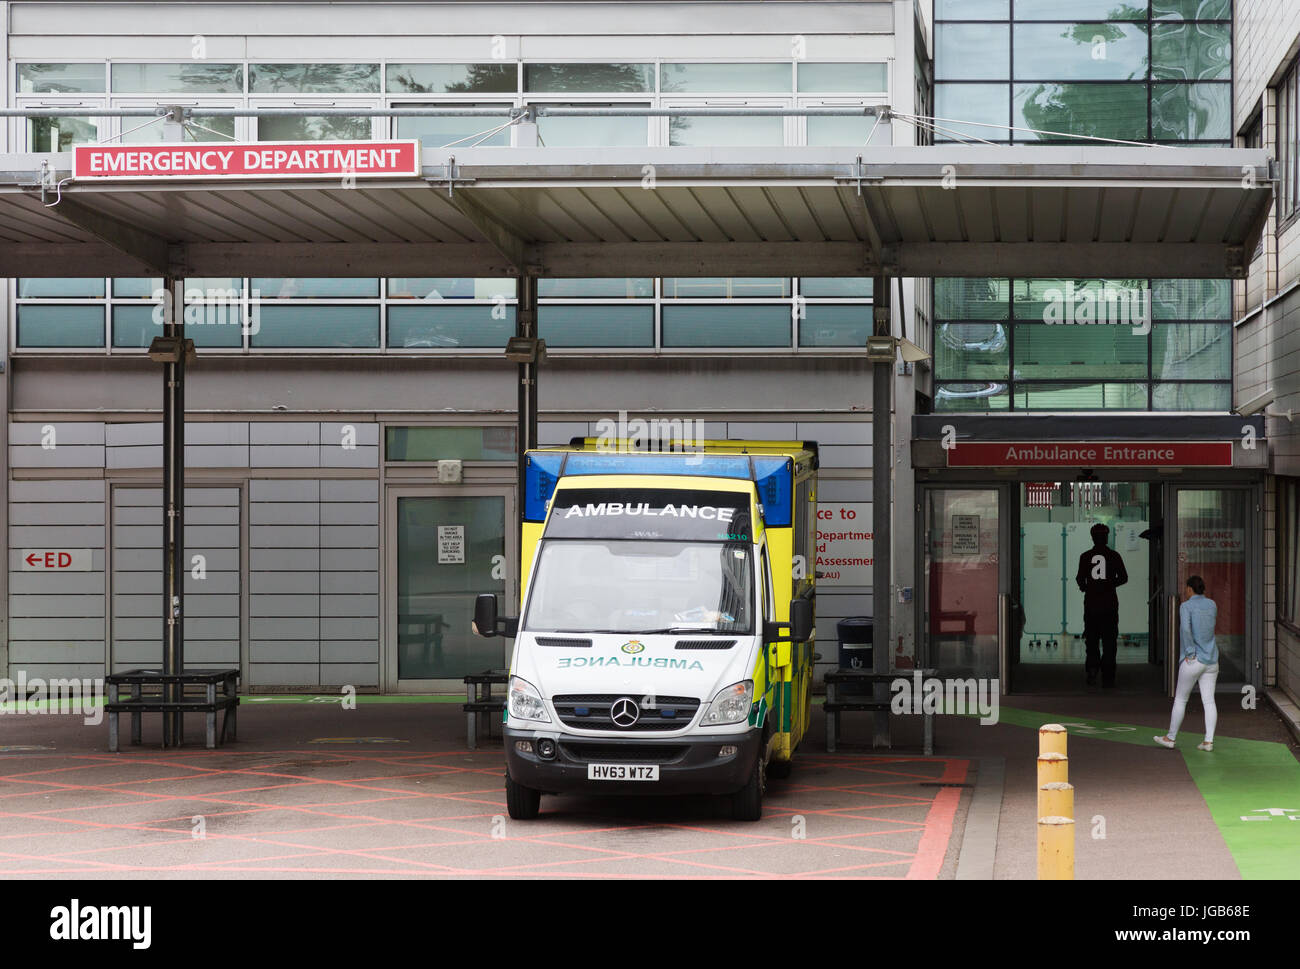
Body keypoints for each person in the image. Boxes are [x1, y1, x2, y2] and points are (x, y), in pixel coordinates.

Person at [1154, 576, 1218, 752]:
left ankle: (1170, 737)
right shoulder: (1212, 604)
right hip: (1211, 659)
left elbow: (1185, 629)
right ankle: (1208, 741)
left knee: (1181, 699)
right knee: (1209, 701)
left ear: (1190, 589)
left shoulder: (1186, 606)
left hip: (1194, 660)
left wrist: (1190, 652)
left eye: (1186, 589)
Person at [1075, 522, 1128, 687]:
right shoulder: (1114, 555)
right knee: (1109, 641)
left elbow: (1079, 578)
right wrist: (1110, 585)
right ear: (1106, 537)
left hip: (1091, 604)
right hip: (1110, 604)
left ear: (1092, 538)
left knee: (1091, 640)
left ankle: (1092, 670)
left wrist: (1086, 587)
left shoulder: (1085, 556)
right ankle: (1108, 675)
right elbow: (1124, 577)